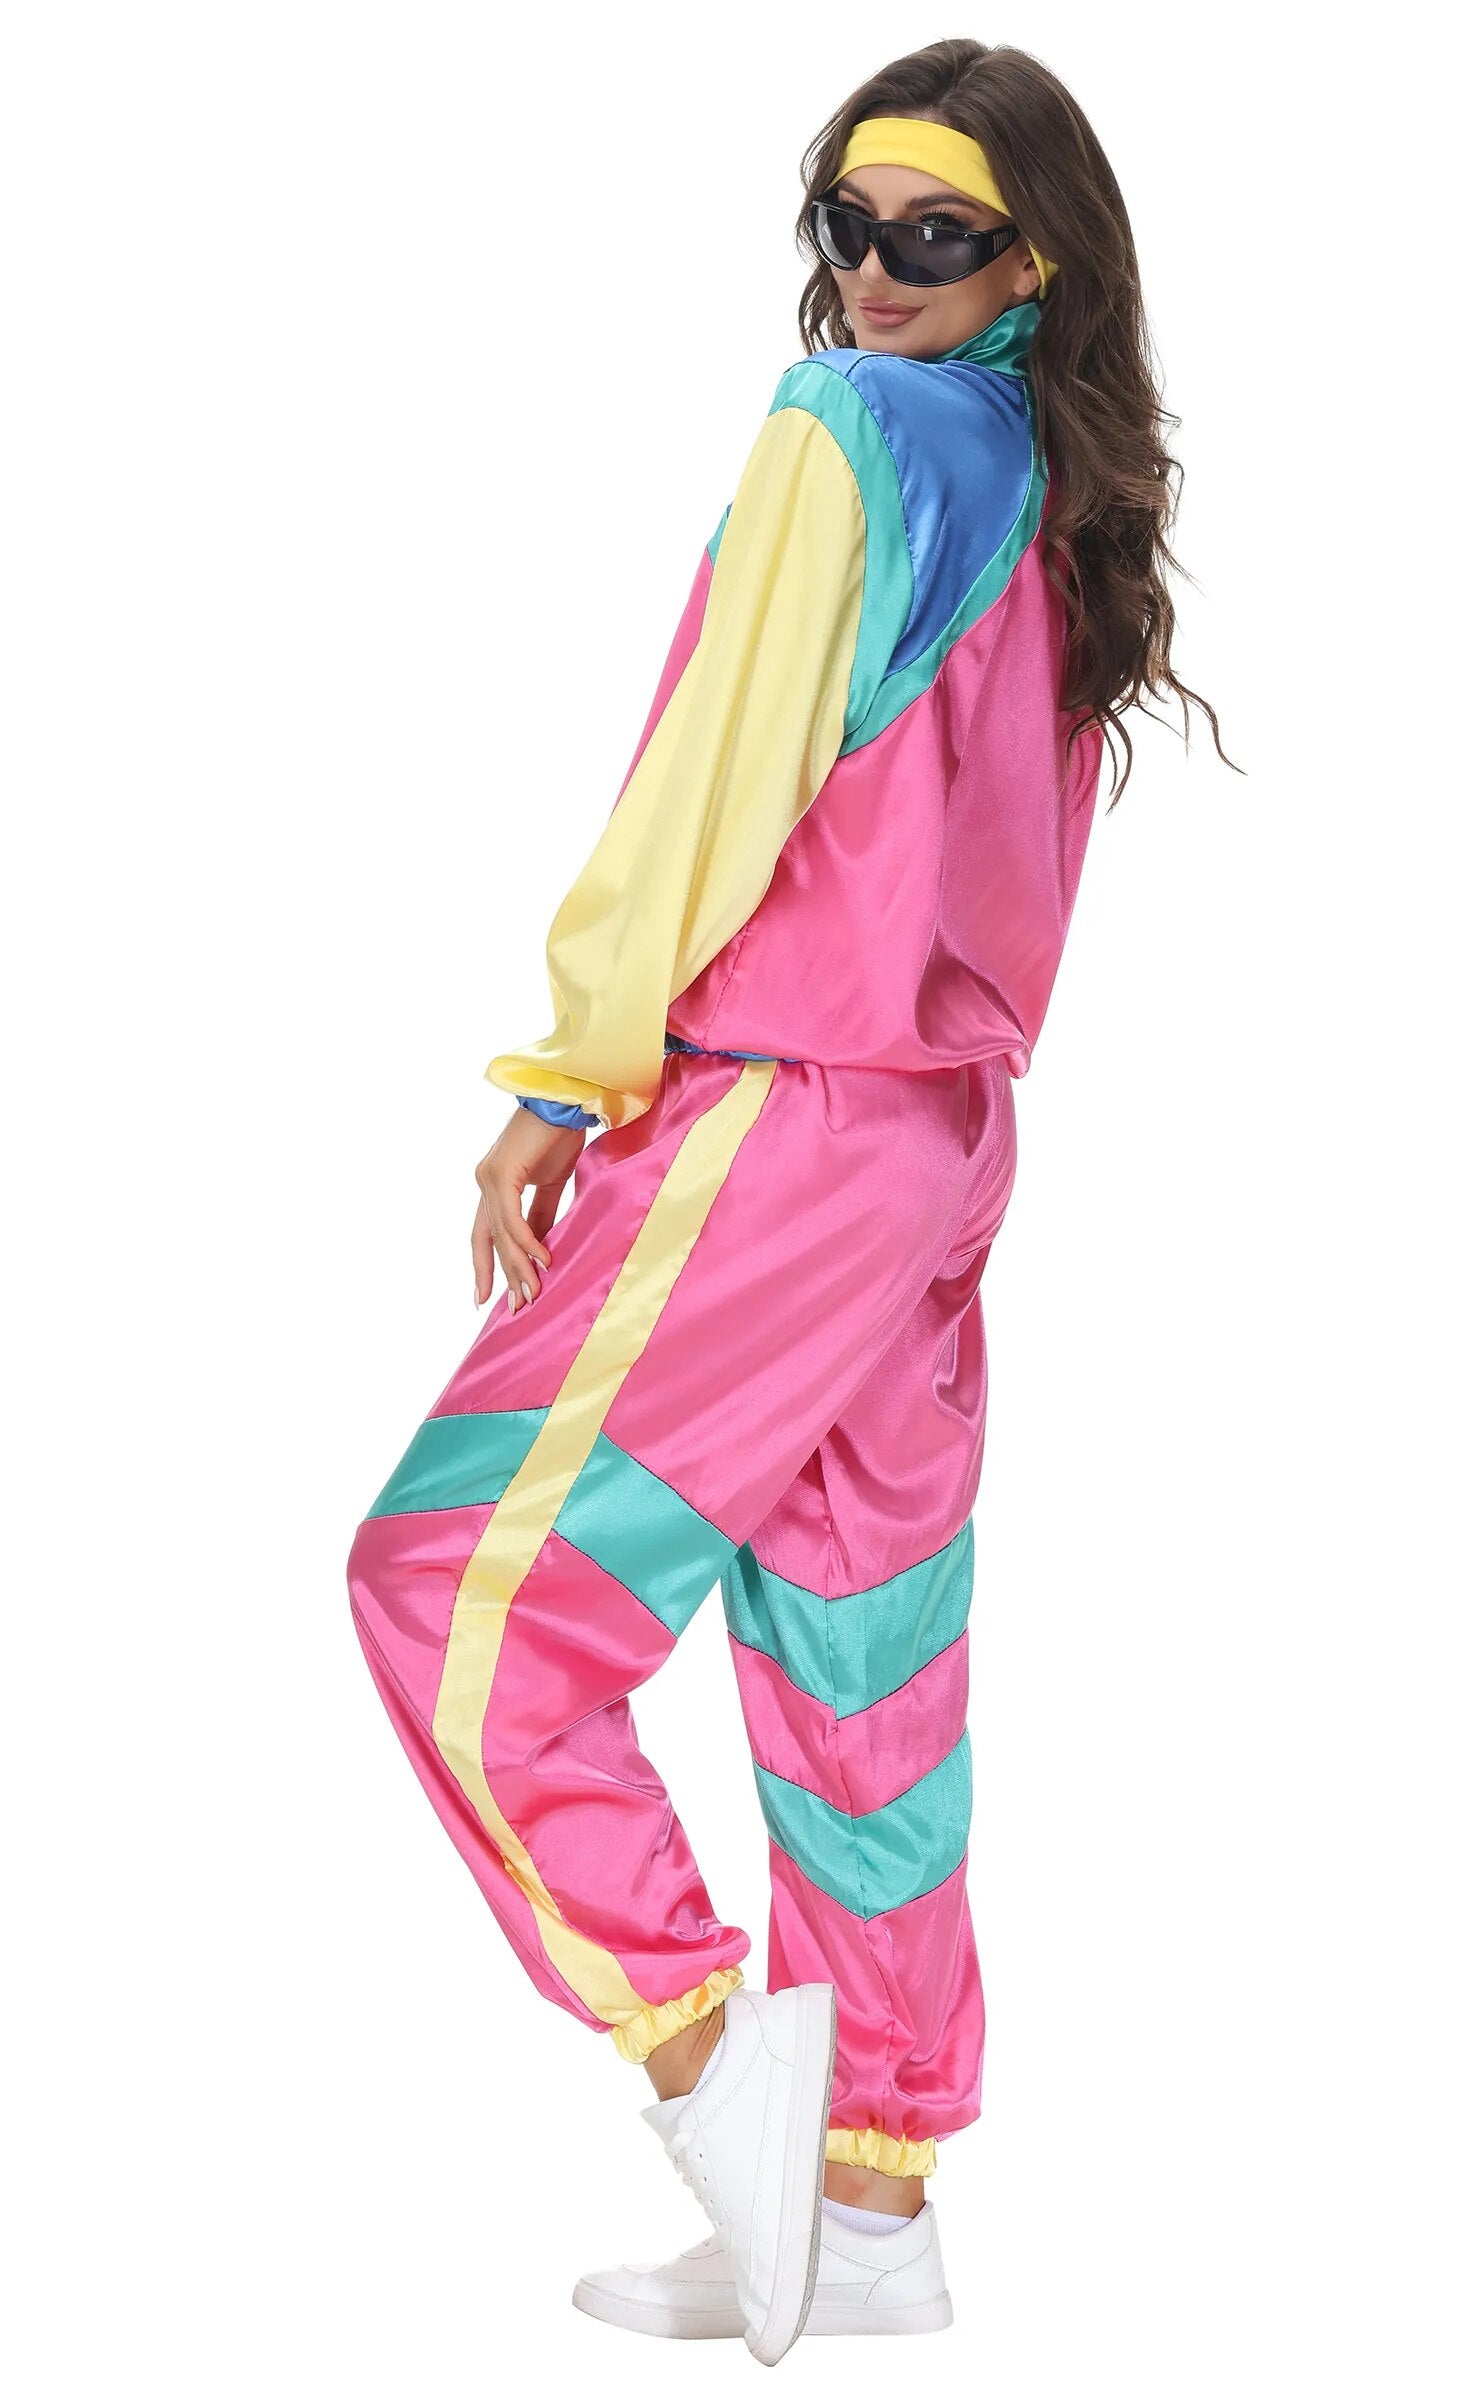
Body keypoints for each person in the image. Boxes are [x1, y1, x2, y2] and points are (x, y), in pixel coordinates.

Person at [346, 37, 1229, 2365]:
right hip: (933, 1150)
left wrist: (570, 1064)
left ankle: (702, 2054)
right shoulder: (1052, 488)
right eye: (845, 222)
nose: (870, 269)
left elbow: (713, 769)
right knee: (865, 1660)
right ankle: (867, 2205)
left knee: (450, 1589)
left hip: (785, 1112)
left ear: (1029, 260)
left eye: (932, 233)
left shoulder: (846, 432)